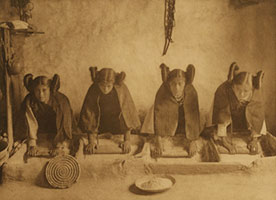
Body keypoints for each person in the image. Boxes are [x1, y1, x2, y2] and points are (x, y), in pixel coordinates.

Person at [78, 67, 141, 154]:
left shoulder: (121, 90)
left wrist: (127, 140)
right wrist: (91, 141)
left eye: (109, 86)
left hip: (118, 128)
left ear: (113, 84)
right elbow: (90, 115)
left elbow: (126, 115)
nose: (105, 89)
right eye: (102, 86)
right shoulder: (93, 90)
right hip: (99, 128)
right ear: (98, 84)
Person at [212, 62, 266, 154]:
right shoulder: (223, 91)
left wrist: (254, 140)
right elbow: (222, 115)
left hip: (245, 124)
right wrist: (225, 141)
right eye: (238, 89)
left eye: (246, 91)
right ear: (233, 86)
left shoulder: (256, 95)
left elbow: (257, 117)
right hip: (228, 124)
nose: (241, 94)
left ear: (252, 89)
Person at [15, 74, 74, 156]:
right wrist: (32, 144)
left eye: (44, 90)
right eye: (37, 90)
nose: (41, 94)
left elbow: (65, 125)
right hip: (40, 135)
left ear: (50, 89)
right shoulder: (29, 100)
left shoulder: (61, 101)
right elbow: (30, 122)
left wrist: (59, 146)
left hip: (61, 136)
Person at [153, 63, 201, 157]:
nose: (176, 88)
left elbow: (194, 118)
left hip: (185, 131)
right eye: (173, 84)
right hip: (168, 131)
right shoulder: (162, 93)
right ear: (169, 84)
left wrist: (192, 141)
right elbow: (158, 117)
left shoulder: (191, 93)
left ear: (185, 84)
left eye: (180, 84)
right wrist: (158, 141)